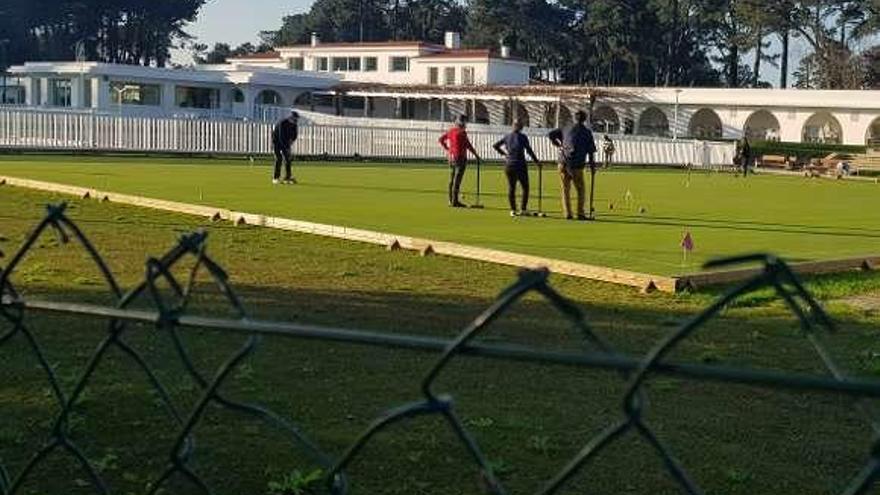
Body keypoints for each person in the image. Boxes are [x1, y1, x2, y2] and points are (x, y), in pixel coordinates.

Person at [548, 110, 597, 220]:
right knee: (580, 189)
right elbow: (591, 152)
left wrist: (559, 144)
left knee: (565, 188)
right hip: (576, 164)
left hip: (563, 161)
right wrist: (593, 167)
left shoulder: (566, 128)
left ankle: (568, 213)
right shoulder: (587, 132)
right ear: (585, 119)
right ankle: (580, 213)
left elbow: (551, 135)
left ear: (575, 118)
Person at [493, 119, 540, 217]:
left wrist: (504, 154)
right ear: (520, 127)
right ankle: (523, 209)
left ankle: (513, 210)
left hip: (509, 165)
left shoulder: (507, 136)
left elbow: (495, 145)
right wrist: (537, 162)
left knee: (511, 188)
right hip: (520, 165)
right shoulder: (522, 137)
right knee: (525, 187)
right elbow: (529, 150)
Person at [439, 115, 482, 207]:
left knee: (452, 179)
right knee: (457, 180)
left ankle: (451, 200)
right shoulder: (462, 132)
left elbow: (441, 140)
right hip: (460, 158)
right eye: (465, 122)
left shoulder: (451, 131)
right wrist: (476, 155)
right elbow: (468, 145)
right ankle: (455, 201)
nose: (466, 124)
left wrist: (448, 149)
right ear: (462, 123)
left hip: (451, 158)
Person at [271, 110, 299, 185]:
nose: (296, 120)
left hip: (286, 142)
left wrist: (291, 142)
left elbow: (295, 135)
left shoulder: (294, 124)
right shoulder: (282, 123)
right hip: (277, 142)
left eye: (296, 119)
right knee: (279, 158)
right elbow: (281, 137)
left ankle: (287, 177)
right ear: (290, 118)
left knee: (288, 159)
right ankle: (275, 178)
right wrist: (286, 148)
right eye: (294, 119)